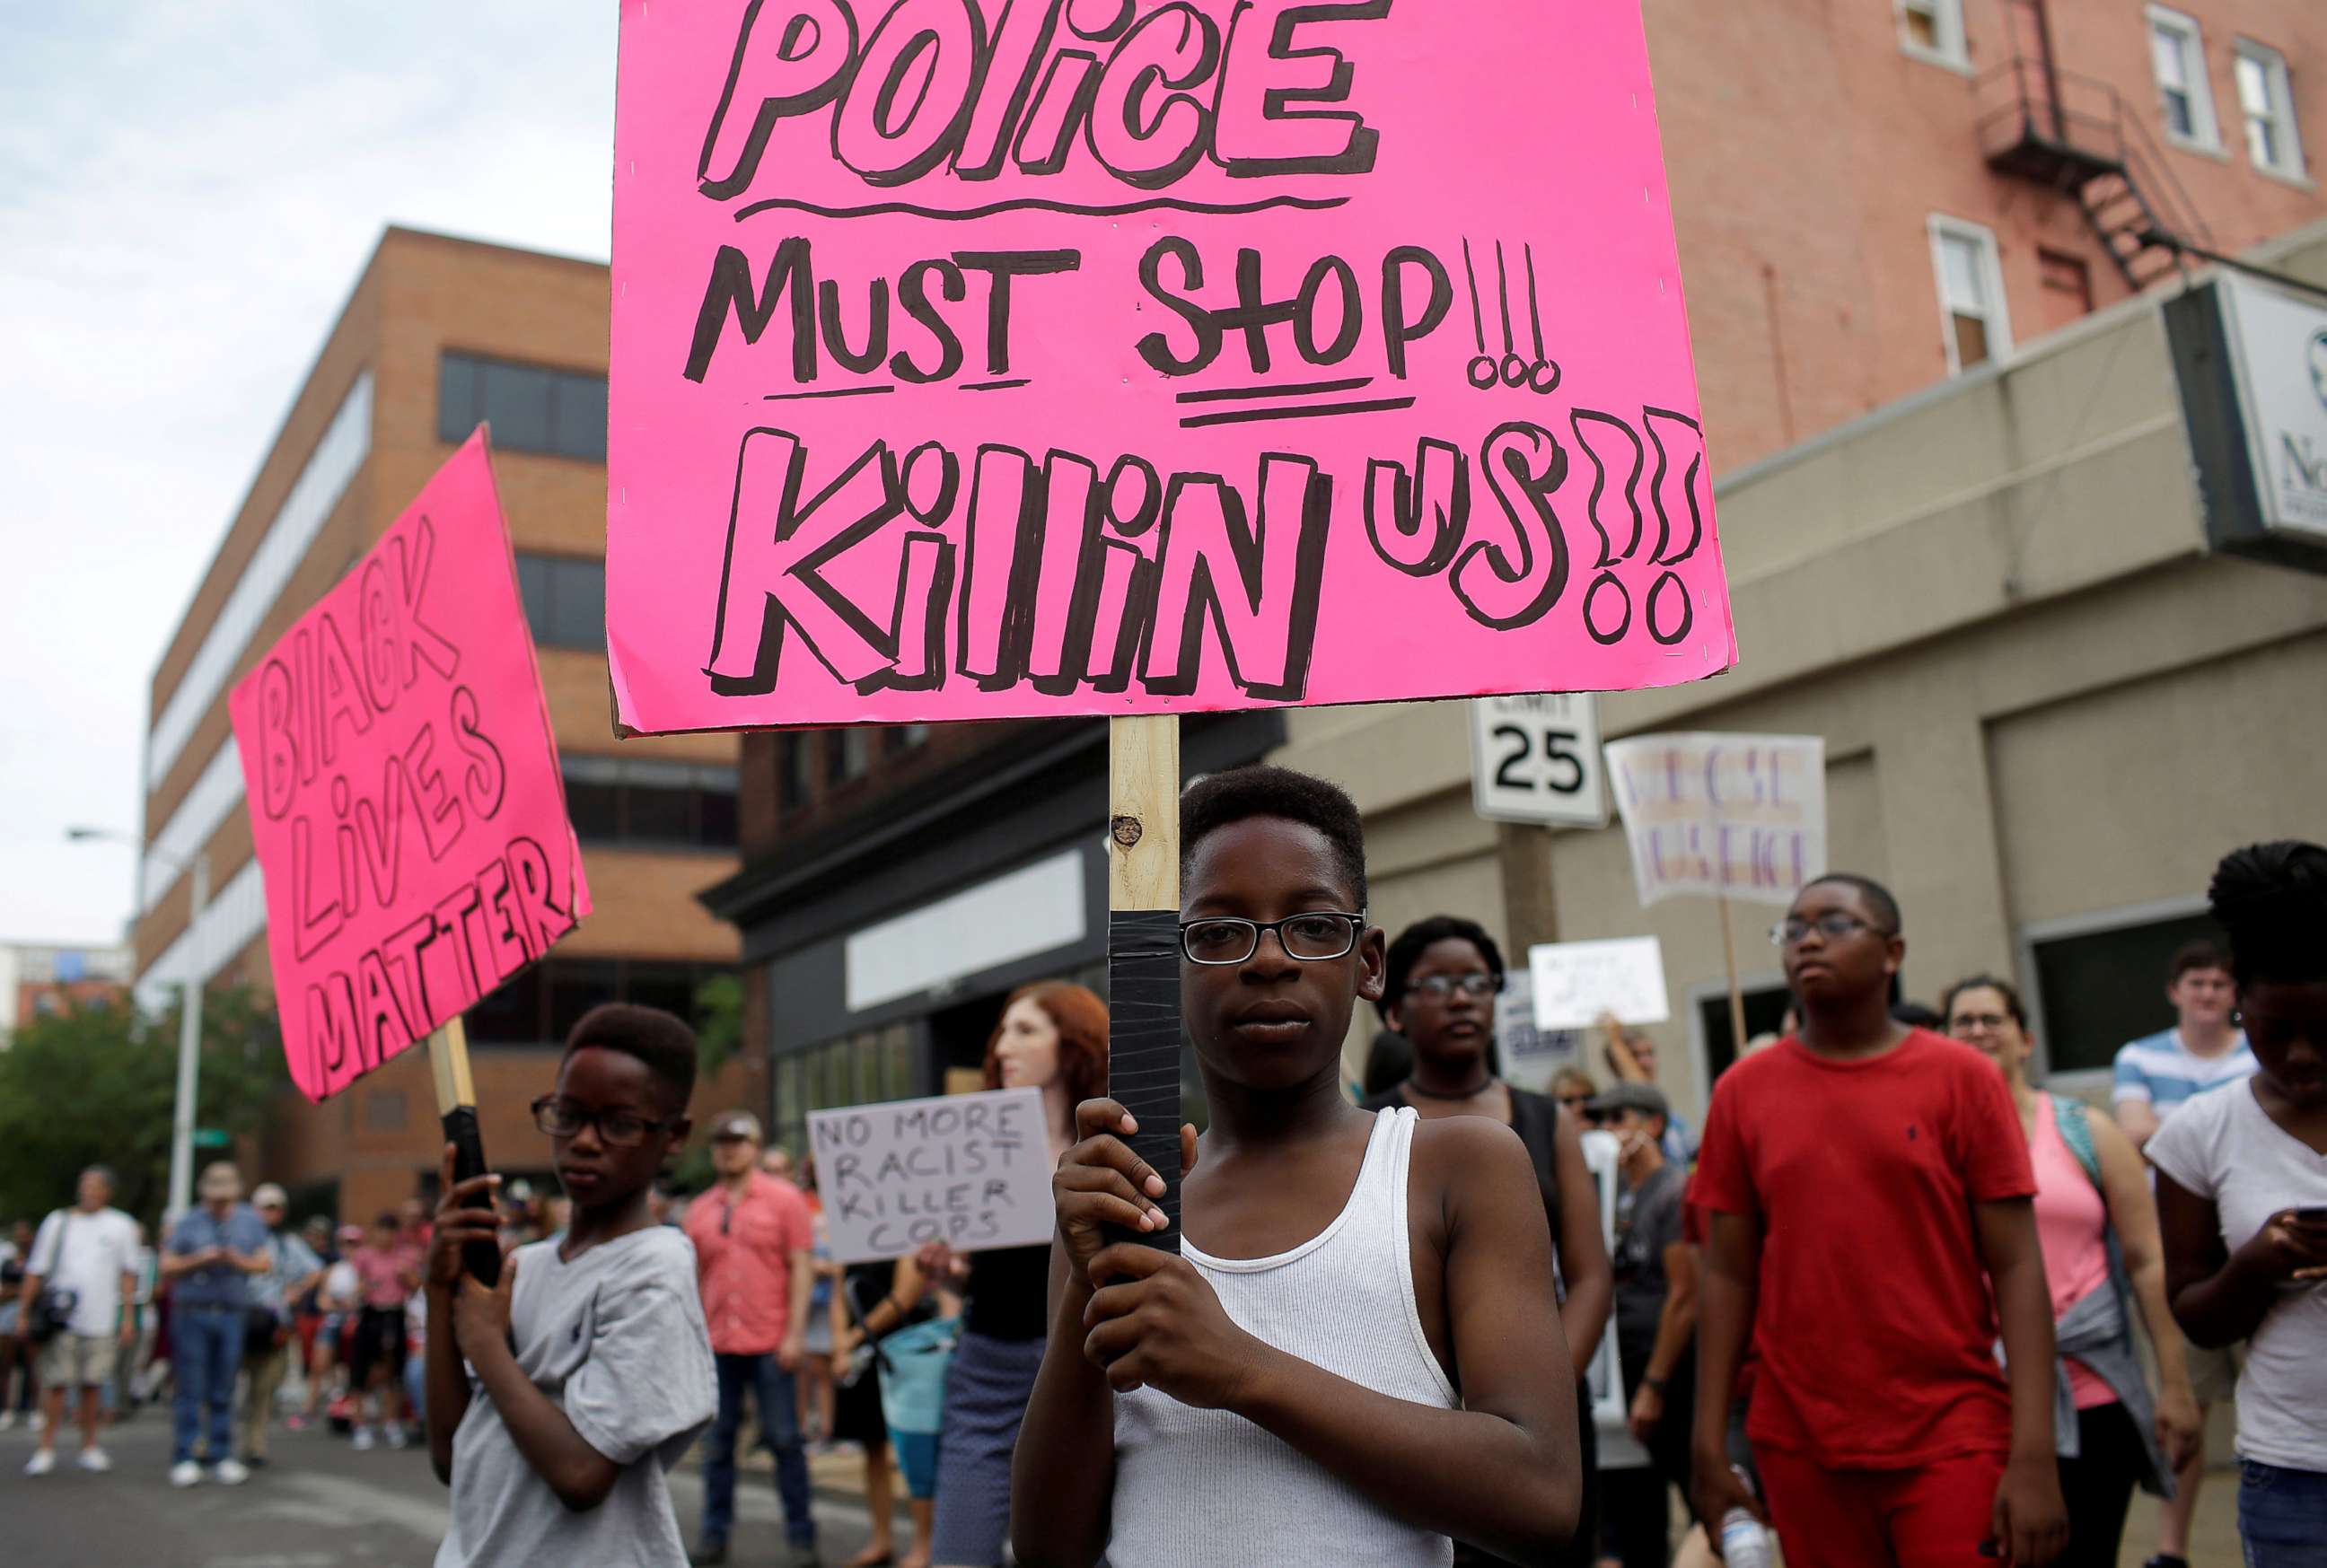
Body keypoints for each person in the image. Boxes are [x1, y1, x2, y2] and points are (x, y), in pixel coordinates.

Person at [1014, 764, 1582, 1567]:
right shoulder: (1124, 1202)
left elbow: (1539, 1496)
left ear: (1369, 962)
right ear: (1166, 965)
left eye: (1315, 925)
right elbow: (1048, 1546)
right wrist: (1086, 1280)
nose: (1270, 959)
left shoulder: (1453, 1167)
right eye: (1217, 932)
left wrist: (1244, 1371)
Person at [1690, 874, 2068, 1568]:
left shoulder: (1963, 1078)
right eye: (1792, 928)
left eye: (1834, 924)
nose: (1807, 939)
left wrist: (2034, 1451)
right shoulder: (1743, 1090)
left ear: (1893, 952)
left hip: (1951, 1429)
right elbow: (1727, 1273)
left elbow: (2017, 1266)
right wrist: (1707, 1441)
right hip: (1799, 1439)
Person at [1361, 914, 1613, 1568]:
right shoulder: (1370, 1125)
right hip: (1415, 1415)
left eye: (1477, 980)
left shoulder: (1545, 1118)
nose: (1462, 996)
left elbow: (1589, 1276)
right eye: (1437, 982)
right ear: (1394, 1011)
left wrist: (1548, 1382)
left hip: (1543, 1410)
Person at [424, 1002, 716, 1567]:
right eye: (568, 1114)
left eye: (620, 1124)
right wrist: (440, 1290)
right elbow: (451, 1457)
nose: (584, 1141)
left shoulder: (655, 1268)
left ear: (674, 1135)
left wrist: (485, 1344)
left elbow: (582, 1476)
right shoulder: (522, 1268)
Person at [1942, 975, 2203, 1567]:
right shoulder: (1932, 1140)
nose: (1978, 1031)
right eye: (1963, 1021)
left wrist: (2176, 1384)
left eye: (1992, 1019)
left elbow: (2146, 1258)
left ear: (2025, 1038)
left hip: (2091, 1393)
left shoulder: (2089, 1130)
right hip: (1978, 1399)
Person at [2147, 842, 2327, 1568]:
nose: (2304, 1055)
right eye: (2274, 1033)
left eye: (2326, 1030)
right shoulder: (2199, 1130)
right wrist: (2256, 1265)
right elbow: (2193, 1307)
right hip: (2294, 1478)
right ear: (2238, 1008)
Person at [893, 980, 1109, 1568]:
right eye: (1003, 1030)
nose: (1002, 1045)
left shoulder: (1110, 1145)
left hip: (1089, 1371)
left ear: (1073, 1045)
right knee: (959, 1551)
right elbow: (981, 1280)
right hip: (987, 1365)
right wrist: (946, 1274)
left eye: (1026, 1029)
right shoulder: (976, 1144)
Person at [2109, 939, 2255, 1568]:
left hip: (2255, 1242)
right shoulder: (2138, 1055)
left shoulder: (2258, 1051)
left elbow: (2159, 1135)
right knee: (2185, 1404)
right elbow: (2134, 1134)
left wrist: (2176, 1136)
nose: (2208, 993)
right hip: (2182, 1251)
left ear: (2234, 994)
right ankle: (2172, 1549)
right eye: (2196, 982)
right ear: (2175, 990)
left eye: (2220, 984)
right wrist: (2235, 1131)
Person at [683, 1109, 818, 1568]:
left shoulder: (785, 1200)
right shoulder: (699, 1210)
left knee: (784, 1439)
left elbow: (801, 1267)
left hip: (770, 1338)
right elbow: (692, 1278)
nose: (728, 1147)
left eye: (737, 1140)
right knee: (718, 1443)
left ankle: (801, 1536)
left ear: (756, 1146)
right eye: (721, 1140)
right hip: (717, 1342)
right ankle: (713, 1535)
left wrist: (795, 1333)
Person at [1584, 1082, 1697, 1568]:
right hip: (1625, 1379)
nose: (1608, 1130)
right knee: (1638, 1514)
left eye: (1619, 1118)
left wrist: (1655, 1383)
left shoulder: (1674, 1192)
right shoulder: (1615, 1194)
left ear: (1653, 1125)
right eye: (1601, 1120)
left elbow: (1685, 1293)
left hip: (1672, 1378)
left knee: (1696, 1495)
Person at [16, 1166, 140, 1476]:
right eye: (85, 1185)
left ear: (107, 1191)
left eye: (95, 1186)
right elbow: (36, 1269)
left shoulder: (121, 1226)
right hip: (61, 1320)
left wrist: (127, 1317)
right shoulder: (58, 1222)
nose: (88, 1191)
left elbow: (128, 1274)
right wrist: (23, 1311)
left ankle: (89, 1445)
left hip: (101, 1319)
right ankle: (45, 1447)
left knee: (92, 1384)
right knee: (56, 1383)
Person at [835, 1255, 955, 1568]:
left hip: (906, 1352)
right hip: (860, 1354)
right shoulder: (852, 1236)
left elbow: (905, 1294)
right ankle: (881, 1539)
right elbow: (840, 1288)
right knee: (872, 1447)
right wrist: (842, 1343)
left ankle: (924, 1542)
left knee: (918, 1451)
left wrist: (852, 1338)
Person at [161, 1161, 274, 1486]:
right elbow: (167, 1265)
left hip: (231, 1311)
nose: (220, 1204)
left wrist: (237, 1260)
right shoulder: (188, 1221)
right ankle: (185, 1453)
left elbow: (264, 1262)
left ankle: (222, 1452)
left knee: (224, 1385)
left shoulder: (249, 1221)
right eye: (215, 1198)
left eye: (225, 1197)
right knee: (191, 1385)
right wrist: (201, 1258)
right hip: (192, 1310)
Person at [239, 1184, 324, 1467]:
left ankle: (255, 1445)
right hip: (240, 1321)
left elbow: (315, 1270)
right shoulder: (239, 1238)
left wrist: (296, 1293)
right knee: (223, 1388)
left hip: (274, 1325)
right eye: (265, 1207)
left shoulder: (288, 1244)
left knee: (264, 1389)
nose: (270, 1213)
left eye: (275, 1207)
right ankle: (213, 1443)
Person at [346, 1210, 423, 1450]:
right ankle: (360, 1425)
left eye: (390, 1232)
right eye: (381, 1231)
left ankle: (391, 1422)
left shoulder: (405, 1255)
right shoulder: (364, 1256)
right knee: (362, 1370)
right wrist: (366, 1287)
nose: (385, 1237)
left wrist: (406, 1274)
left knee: (394, 1372)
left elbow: (416, 1287)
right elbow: (356, 1287)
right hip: (371, 1313)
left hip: (395, 1313)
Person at [288, 1214, 338, 1432]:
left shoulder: (332, 1258)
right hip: (305, 1314)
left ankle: (317, 1407)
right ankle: (320, 1404)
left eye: (321, 1235)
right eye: (313, 1234)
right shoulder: (300, 1256)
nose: (317, 1239)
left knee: (323, 1364)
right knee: (309, 1363)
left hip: (325, 1316)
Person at [0, 1218, 33, 1431]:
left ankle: (32, 1409)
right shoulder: (8, 1263)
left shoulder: (35, 1262)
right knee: (6, 1365)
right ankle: (7, 1409)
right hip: (7, 1314)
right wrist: (19, 1292)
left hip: (30, 1315)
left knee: (31, 1365)